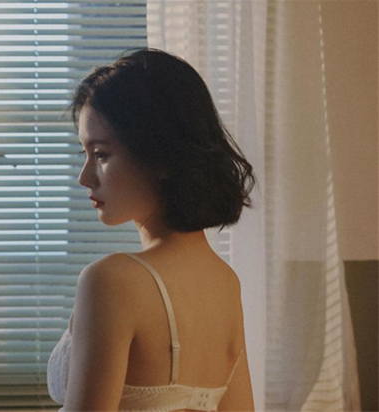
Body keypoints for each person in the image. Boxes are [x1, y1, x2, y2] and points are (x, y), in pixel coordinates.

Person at [46, 48, 257, 412]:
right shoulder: (225, 282)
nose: (84, 177)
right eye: (85, 154)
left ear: (160, 156)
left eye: (101, 154)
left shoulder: (111, 281)